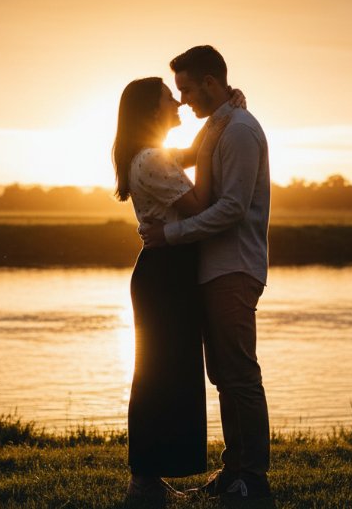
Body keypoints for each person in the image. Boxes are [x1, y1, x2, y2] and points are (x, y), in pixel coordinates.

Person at [140, 45, 273, 502]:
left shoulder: (238, 131)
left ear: (211, 84)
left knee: (240, 375)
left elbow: (233, 209)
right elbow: (190, 154)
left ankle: (252, 478)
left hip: (234, 266)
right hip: (215, 268)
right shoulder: (221, 124)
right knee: (224, 376)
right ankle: (233, 470)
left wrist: (171, 235)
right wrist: (140, 150)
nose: (183, 101)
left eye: (188, 89)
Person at [112, 76, 240, 505]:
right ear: (152, 110)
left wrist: (221, 120)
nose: (180, 104)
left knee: (168, 374)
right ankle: (144, 481)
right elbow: (200, 206)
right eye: (171, 98)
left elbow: (191, 155)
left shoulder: (155, 156)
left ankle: (149, 478)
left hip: (170, 273)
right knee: (159, 376)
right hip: (165, 275)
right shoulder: (151, 159)